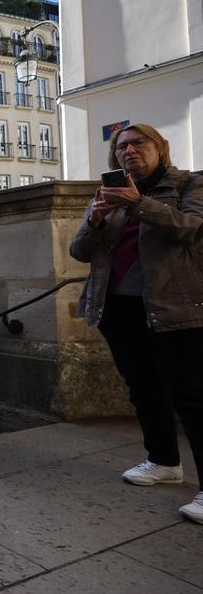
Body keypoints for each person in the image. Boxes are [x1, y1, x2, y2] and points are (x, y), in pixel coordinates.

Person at [69, 124, 203, 525]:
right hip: (118, 308)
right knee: (144, 390)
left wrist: (139, 202)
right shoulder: (109, 195)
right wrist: (95, 217)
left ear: (160, 148)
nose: (129, 151)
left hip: (172, 305)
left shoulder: (188, 184)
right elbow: (79, 251)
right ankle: (163, 461)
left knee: (193, 397)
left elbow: (193, 229)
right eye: (121, 146)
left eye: (138, 143)